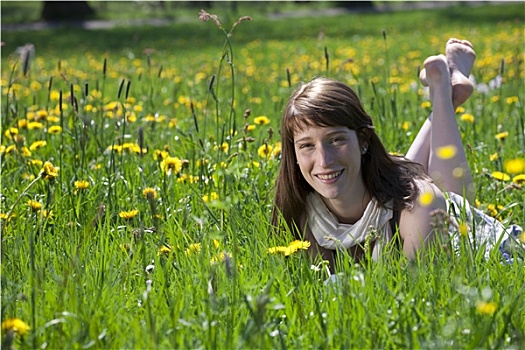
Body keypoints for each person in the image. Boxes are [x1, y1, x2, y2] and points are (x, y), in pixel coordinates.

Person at [272, 39, 522, 271]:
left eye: (336, 140)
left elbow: (421, 288)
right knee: (400, 178)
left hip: (474, 245)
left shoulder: (420, 204)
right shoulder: (301, 213)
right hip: (396, 191)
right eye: (306, 145)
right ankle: (444, 92)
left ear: (363, 141)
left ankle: (443, 91)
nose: (324, 161)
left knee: (445, 199)